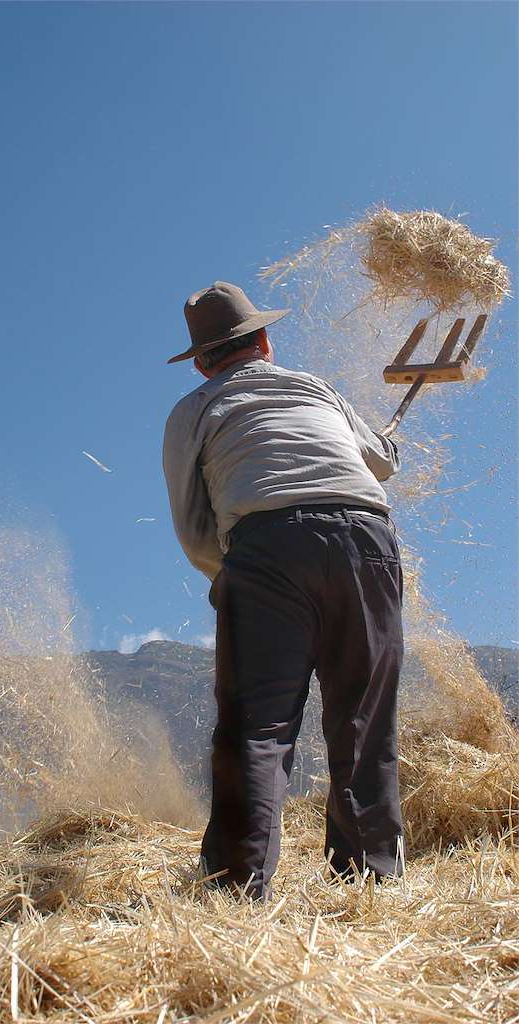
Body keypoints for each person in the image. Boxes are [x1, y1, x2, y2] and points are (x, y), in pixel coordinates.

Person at [162, 281, 404, 901]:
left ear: (201, 359)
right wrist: (389, 446)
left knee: (256, 726)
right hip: (365, 540)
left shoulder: (194, 409)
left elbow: (194, 528)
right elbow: (379, 460)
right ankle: (370, 883)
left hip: (264, 547)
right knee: (363, 720)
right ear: (265, 341)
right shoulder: (316, 387)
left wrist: (234, 579)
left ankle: (237, 891)